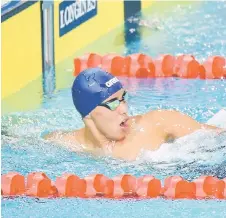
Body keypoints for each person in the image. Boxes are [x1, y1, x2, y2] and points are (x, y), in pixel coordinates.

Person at [45, 67, 223, 160]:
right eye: (113, 103)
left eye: (123, 98)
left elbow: (218, 137)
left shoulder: (158, 123)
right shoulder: (62, 143)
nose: (124, 108)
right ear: (89, 113)